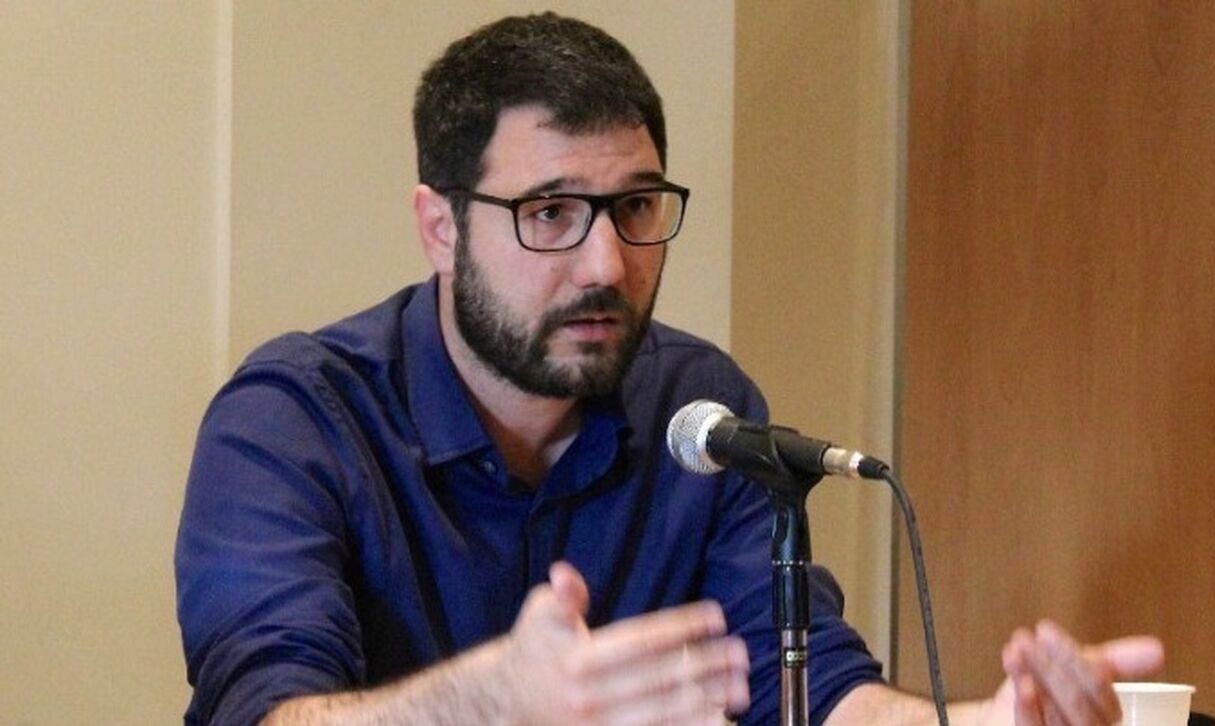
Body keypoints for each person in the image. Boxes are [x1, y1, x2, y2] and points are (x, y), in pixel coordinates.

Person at [175, 12, 1163, 725]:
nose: (607, 265)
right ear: (441, 227)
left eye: (637, 208)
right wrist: (494, 701)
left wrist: (984, 722)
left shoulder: (702, 409)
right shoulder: (293, 418)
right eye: (550, 213)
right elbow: (263, 711)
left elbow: (809, 688)